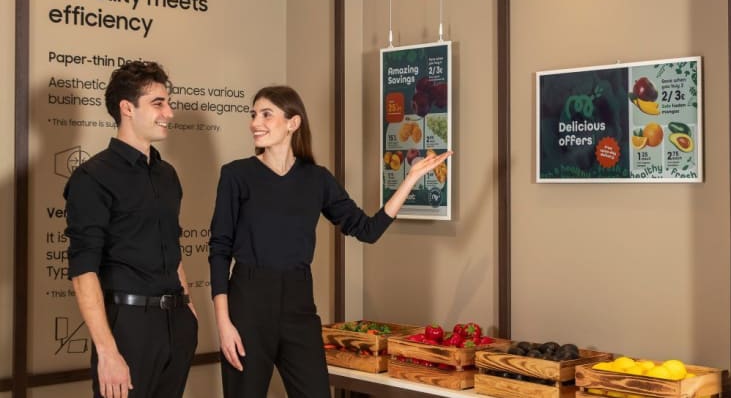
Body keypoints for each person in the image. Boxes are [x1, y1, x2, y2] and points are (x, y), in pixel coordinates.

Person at [208, 85, 452, 397]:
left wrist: (410, 179)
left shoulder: (317, 179)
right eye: (253, 114)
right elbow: (219, 249)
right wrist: (224, 324)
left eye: (266, 114)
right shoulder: (237, 175)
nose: (256, 122)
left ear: (293, 123)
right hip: (248, 304)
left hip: (298, 304)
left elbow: (367, 230)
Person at [64, 61, 198, 398]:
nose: (169, 113)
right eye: (158, 103)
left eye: (168, 103)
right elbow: (83, 272)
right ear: (127, 108)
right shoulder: (92, 177)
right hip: (128, 327)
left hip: (177, 324)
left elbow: (172, 247)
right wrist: (107, 352)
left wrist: (189, 310)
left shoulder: (167, 175)